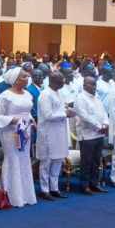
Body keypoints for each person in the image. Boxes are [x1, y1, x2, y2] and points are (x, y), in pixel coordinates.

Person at [0, 67, 37, 207]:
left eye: (27, 76)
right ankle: (12, 195)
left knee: (24, 159)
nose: (27, 79)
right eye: (24, 77)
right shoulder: (5, 96)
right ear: (15, 79)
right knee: (13, 159)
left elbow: (27, 112)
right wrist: (14, 121)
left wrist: (31, 121)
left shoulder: (27, 94)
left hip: (25, 132)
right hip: (10, 132)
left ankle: (25, 194)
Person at [36, 71, 71, 199]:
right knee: (46, 162)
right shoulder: (45, 95)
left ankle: (54, 188)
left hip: (59, 132)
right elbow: (48, 115)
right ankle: (44, 189)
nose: (64, 81)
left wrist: (65, 112)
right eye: (62, 79)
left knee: (57, 160)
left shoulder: (58, 92)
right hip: (48, 133)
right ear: (55, 81)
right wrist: (65, 114)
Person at [73, 76, 109, 194]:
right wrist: (99, 127)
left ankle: (94, 183)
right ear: (84, 86)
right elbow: (85, 117)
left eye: (95, 85)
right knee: (86, 162)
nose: (94, 87)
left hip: (99, 135)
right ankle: (84, 185)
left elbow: (103, 112)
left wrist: (105, 124)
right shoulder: (80, 99)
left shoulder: (96, 96)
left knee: (96, 160)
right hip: (87, 135)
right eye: (91, 85)